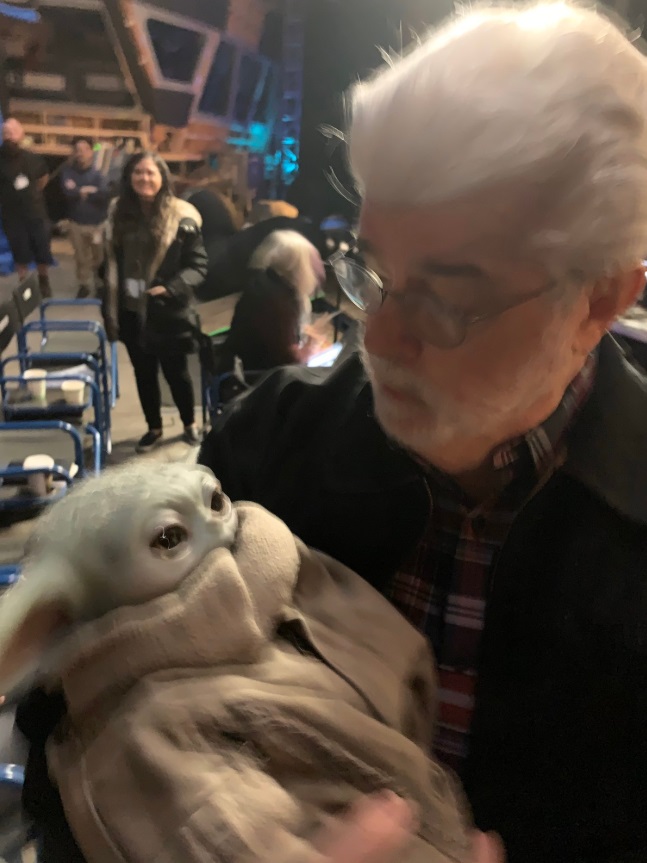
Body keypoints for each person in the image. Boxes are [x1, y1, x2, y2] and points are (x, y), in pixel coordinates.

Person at [195, 4, 647, 862]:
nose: (379, 336)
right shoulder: (265, 445)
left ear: (599, 299)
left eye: (446, 295)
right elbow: (92, 712)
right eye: (372, 271)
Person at [102, 151, 207, 452]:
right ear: (129, 178)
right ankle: (154, 428)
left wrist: (171, 288)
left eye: (151, 173)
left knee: (177, 373)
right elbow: (110, 260)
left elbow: (198, 267)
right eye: (138, 172)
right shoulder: (118, 213)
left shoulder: (180, 217)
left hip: (166, 312)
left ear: (162, 178)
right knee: (143, 373)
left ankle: (189, 424)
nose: (144, 178)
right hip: (130, 310)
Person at [217, 229, 327, 373]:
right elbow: (290, 361)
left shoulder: (266, 281)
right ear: (300, 266)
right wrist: (311, 347)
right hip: (257, 378)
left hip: (240, 363)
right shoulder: (279, 304)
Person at [0, 117, 52, 297]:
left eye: (12, 132)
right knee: (19, 252)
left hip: (35, 213)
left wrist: (31, 194)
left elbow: (43, 178)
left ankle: (44, 282)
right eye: (5, 132)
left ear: (21, 135)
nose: (8, 136)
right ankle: (25, 287)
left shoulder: (33, 158)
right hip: (12, 216)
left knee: (41, 249)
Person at [60, 136, 109, 299]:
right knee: (81, 258)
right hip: (76, 223)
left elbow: (104, 194)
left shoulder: (99, 173)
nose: (80, 153)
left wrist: (81, 190)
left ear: (91, 151)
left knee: (99, 257)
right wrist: (86, 190)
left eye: (84, 150)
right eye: (77, 150)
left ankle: (100, 285)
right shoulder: (68, 172)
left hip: (97, 225)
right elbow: (67, 193)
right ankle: (84, 285)